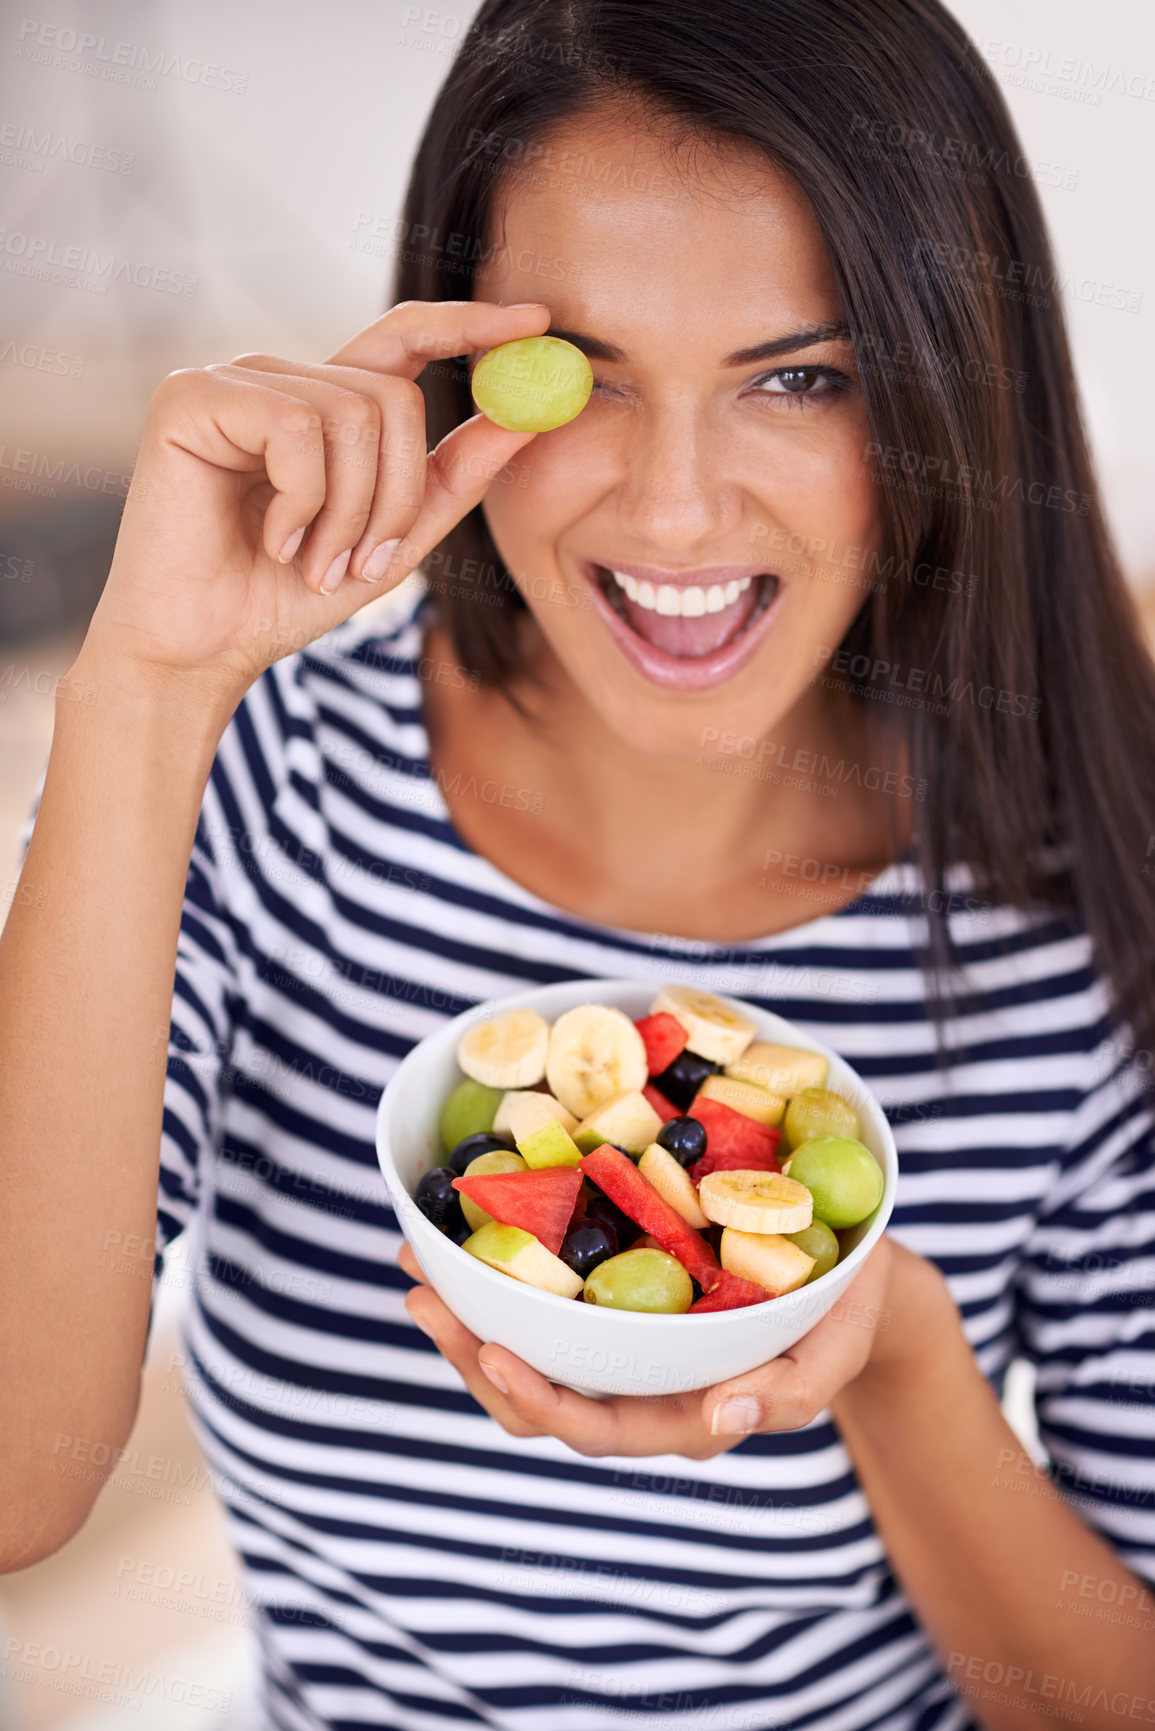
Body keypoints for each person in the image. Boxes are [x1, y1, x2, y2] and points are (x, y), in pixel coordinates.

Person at [2, 0, 1153, 1726]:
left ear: (946, 389)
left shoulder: (1079, 906)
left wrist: (896, 1355)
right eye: (584, 377)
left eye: (801, 377)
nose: (676, 512)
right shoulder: (263, 778)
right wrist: (150, 691)